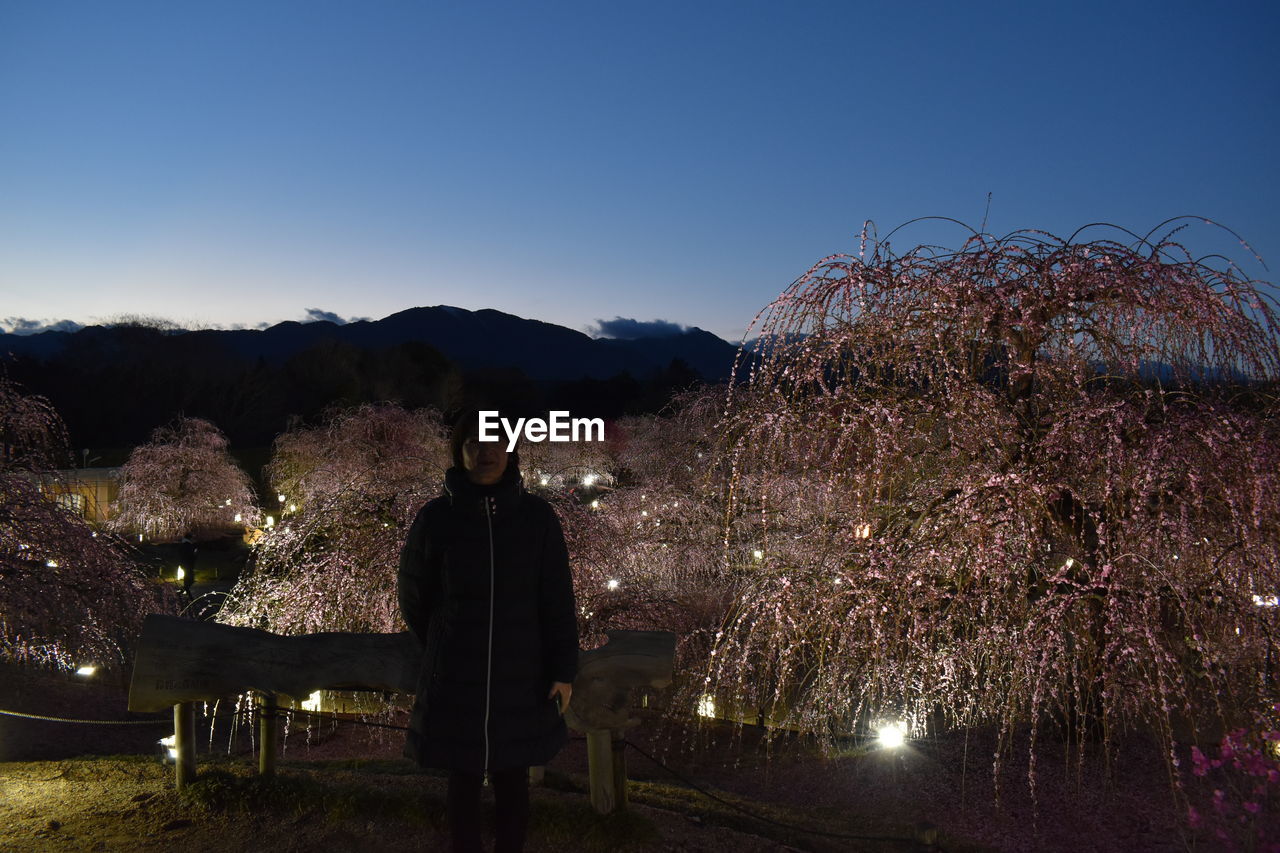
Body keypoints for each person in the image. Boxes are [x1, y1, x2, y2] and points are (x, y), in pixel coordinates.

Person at [399, 411, 579, 853]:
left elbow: (556, 597)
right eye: (474, 444)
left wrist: (562, 667)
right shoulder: (437, 518)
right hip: (457, 669)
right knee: (460, 776)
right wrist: (445, 637)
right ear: (458, 453)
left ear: (512, 449)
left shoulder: (536, 517)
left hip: (523, 669)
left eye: (496, 442)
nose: (486, 453)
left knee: (513, 776)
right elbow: (414, 593)